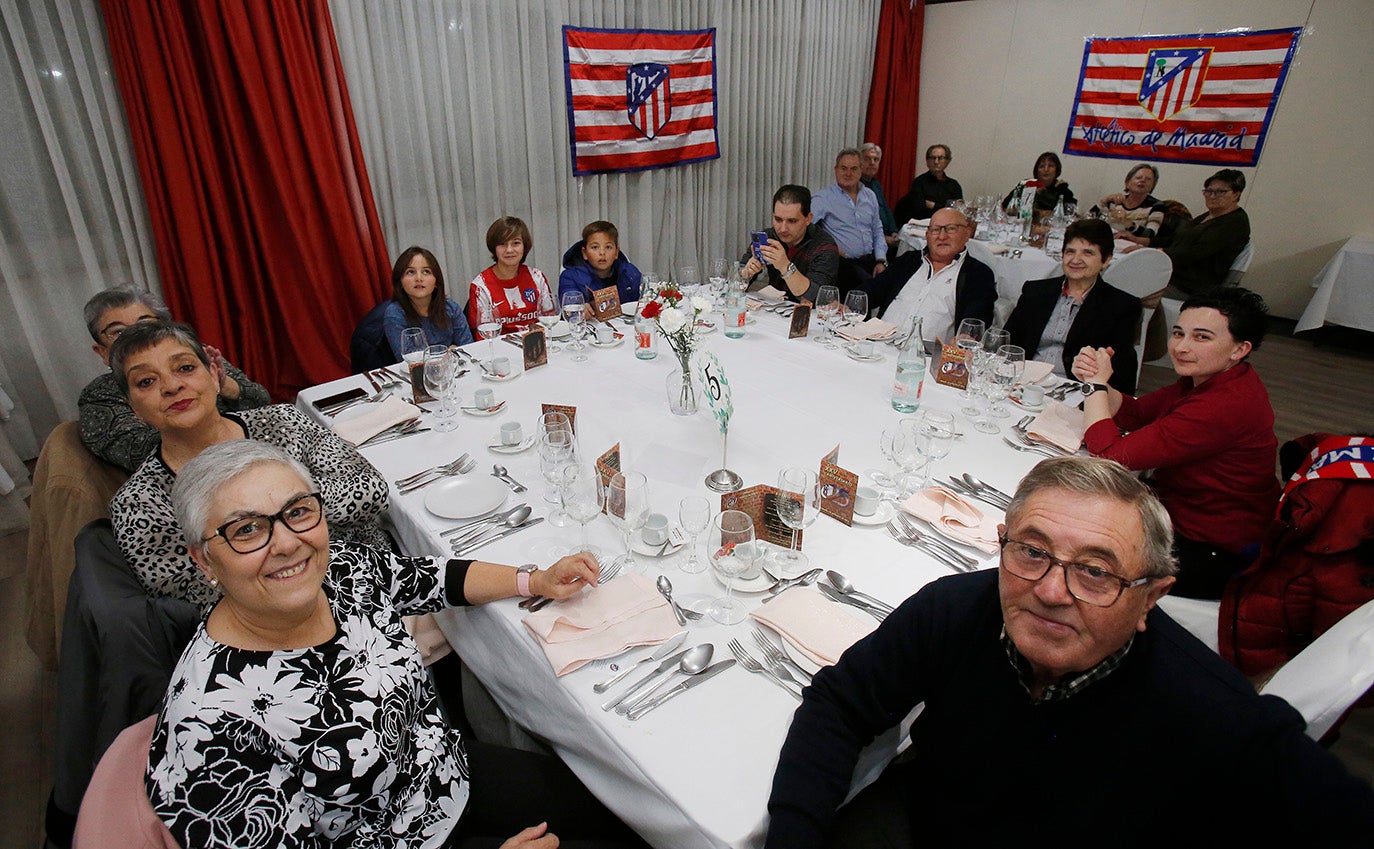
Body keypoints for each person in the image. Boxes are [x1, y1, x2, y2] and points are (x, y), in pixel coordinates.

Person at [764, 456, 1374, 849]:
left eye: (1096, 572)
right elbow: (840, 705)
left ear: (1150, 599)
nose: (1051, 591)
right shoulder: (955, 608)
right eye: (1031, 551)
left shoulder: (1216, 716)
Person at [148, 440, 645, 849]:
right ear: (204, 562)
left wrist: (534, 581)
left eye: (297, 511)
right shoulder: (205, 727)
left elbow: (430, 577)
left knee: (628, 817)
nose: (286, 543)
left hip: (444, 774)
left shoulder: (338, 573)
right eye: (247, 529)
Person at [106, 321, 389, 613]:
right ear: (133, 408)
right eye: (146, 381)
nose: (172, 386)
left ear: (215, 375)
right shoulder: (139, 504)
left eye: (185, 368)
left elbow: (371, 489)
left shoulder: (283, 422)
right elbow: (189, 595)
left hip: (372, 579)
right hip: (269, 626)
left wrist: (274, 511)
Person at [1073, 287, 1281, 599]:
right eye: (1179, 333)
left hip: (1211, 549)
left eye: (1202, 337)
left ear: (1239, 349)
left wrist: (1096, 387)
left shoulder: (1225, 404)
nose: (1181, 347)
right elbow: (1137, 412)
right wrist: (1096, 379)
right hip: (1182, 515)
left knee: (1078, 550)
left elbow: (1109, 456)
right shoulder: (1212, 380)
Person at [78, 287, 270, 472]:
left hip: (257, 450)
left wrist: (222, 383)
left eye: (144, 324)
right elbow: (140, 451)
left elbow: (261, 400)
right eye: (118, 332)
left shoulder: (194, 355)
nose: (135, 335)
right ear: (102, 351)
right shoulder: (99, 395)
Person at [1003, 218, 1141, 393]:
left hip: (1078, 392)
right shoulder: (1036, 292)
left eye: (1087, 253)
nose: (1076, 260)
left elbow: (1122, 372)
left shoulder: (1122, 306)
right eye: (1070, 252)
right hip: (1023, 385)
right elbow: (1008, 344)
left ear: (1106, 260)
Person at [863, 207, 995, 343]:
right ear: (927, 236)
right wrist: (848, 305)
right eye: (935, 230)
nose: (942, 236)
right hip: (878, 346)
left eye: (950, 228)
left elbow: (976, 319)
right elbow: (871, 290)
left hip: (927, 358)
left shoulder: (978, 274)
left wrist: (966, 338)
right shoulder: (909, 261)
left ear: (967, 234)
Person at [1152, 168, 1251, 298]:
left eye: (1220, 192)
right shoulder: (1210, 215)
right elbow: (1178, 239)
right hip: (1172, 275)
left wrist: (1160, 253)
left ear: (1236, 194)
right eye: (1209, 191)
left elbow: (1195, 253)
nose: (1212, 196)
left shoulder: (1235, 223)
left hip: (1190, 287)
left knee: (1131, 287)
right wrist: (1144, 242)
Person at [740, 184, 840, 303]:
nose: (783, 228)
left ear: (808, 219)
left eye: (792, 221)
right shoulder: (767, 237)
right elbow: (732, 286)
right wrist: (746, 274)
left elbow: (815, 297)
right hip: (775, 307)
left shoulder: (824, 246)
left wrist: (785, 267)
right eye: (778, 219)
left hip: (808, 314)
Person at [810, 148, 887, 290]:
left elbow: (877, 230)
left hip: (870, 261)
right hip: (842, 265)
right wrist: (830, 247)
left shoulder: (870, 196)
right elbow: (806, 228)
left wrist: (881, 260)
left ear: (861, 170)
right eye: (843, 168)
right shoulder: (823, 198)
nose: (848, 173)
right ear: (836, 169)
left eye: (853, 169)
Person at [468, 216, 555, 336]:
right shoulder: (480, 286)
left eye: (516, 243)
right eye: (502, 244)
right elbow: (483, 335)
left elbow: (549, 319)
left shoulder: (537, 277)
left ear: (524, 246)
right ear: (494, 248)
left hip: (536, 347)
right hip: (501, 350)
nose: (509, 250)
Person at [382, 246, 474, 358]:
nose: (419, 278)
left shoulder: (451, 308)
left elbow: (468, 348)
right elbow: (409, 360)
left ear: (436, 281)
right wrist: (448, 352)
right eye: (411, 272)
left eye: (426, 272)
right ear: (400, 282)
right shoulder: (395, 314)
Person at [558, 219, 643, 304]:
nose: (602, 253)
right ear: (585, 253)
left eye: (608, 247)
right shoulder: (570, 277)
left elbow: (643, 303)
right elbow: (568, 305)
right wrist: (579, 308)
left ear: (616, 252)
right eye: (595, 247)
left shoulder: (630, 274)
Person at [1090, 163, 1165, 246]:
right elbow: (1089, 220)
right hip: (1106, 244)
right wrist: (1104, 201)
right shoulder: (1115, 201)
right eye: (1138, 177)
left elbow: (1150, 234)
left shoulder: (1156, 206)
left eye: (1148, 179)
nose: (1143, 180)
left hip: (1132, 248)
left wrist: (1126, 222)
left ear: (1152, 186)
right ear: (1127, 182)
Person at [892, 144, 963, 225]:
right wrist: (944, 207)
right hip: (923, 226)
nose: (936, 162)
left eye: (940, 158)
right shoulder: (919, 182)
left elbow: (957, 213)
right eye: (933, 158)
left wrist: (933, 205)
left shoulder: (954, 185)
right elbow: (919, 210)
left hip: (947, 226)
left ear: (948, 161)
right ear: (927, 161)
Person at [1002, 150, 1076, 218]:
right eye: (1042, 166)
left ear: (1057, 169)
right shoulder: (1026, 185)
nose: (1046, 170)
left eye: (1051, 166)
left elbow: (1069, 213)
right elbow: (1006, 206)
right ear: (1037, 170)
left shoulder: (1062, 189)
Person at [858, 142, 899, 251]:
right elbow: (860, 224)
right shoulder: (854, 187)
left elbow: (885, 209)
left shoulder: (876, 184)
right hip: (868, 242)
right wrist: (885, 239)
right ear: (858, 161)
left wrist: (894, 231)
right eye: (867, 159)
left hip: (886, 236)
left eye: (876, 160)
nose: (872, 163)